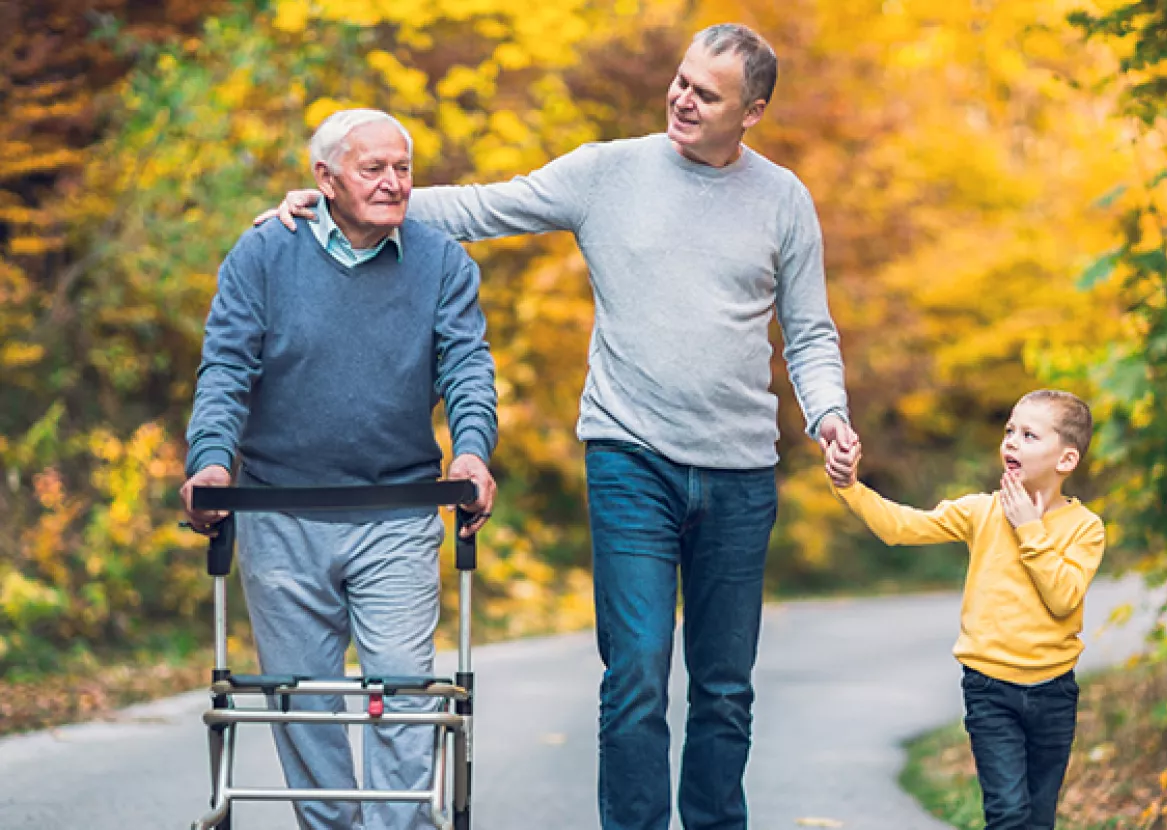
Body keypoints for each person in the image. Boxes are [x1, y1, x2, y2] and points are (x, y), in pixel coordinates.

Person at [260, 23, 858, 830]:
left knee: (723, 685)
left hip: (740, 470)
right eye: (681, 81)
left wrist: (827, 414)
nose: (681, 99)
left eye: (705, 94)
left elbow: (810, 331)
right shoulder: (606, 171)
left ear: (749, 113)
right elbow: (480, 207)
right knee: (637, 673)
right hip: (629, 456)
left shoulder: (782, 198)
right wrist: (344, 197)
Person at [182, 108, 498, 830]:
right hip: (280, 513)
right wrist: (208, 463)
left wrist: (473, 449)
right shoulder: (264, 254)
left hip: (399, 510)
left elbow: (468, 369)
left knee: (405, 693)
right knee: (303, 703)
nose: (393, 183)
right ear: (323, 179)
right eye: (373, 169)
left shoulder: (441, 261)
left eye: (403, 169)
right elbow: (226, 368)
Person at [825, 389, 1106, 830]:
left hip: (1054, 693)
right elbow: (904, 527)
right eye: (1009, 430)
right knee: (1007, 812)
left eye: (1029, 435)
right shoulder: (981, 511)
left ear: (1065, 460)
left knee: (1038, 818)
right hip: (990, 689)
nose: (1011, 441)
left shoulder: (1085, 529)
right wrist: (850, 488)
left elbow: (1063, 597)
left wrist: (1030, 529)